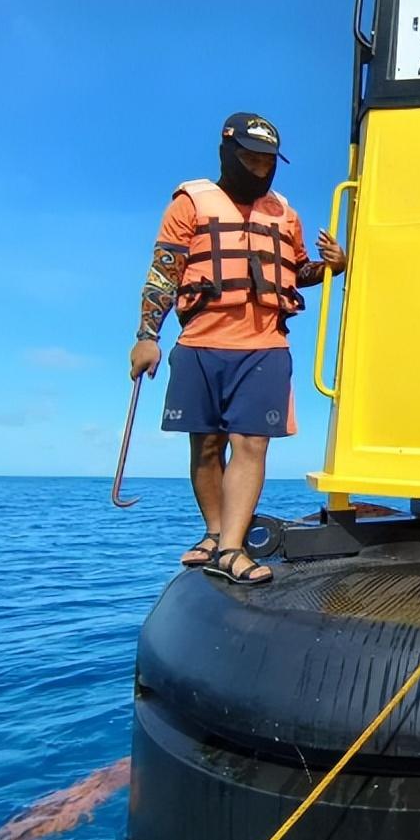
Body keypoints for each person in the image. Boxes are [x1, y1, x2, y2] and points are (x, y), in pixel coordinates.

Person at [128, 112, 346, 585]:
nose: (260, 167)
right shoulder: (190, 203)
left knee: (252, 444)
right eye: (250, 157)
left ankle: (231, 548)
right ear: (228, 152)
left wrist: (335, 265)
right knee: (207, 446)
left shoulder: (285, 213)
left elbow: (297, 271)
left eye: (267, 160)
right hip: (200, 344)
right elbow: (164, 272)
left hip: (265, 347)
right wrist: (148, 337)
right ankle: (213, 532)